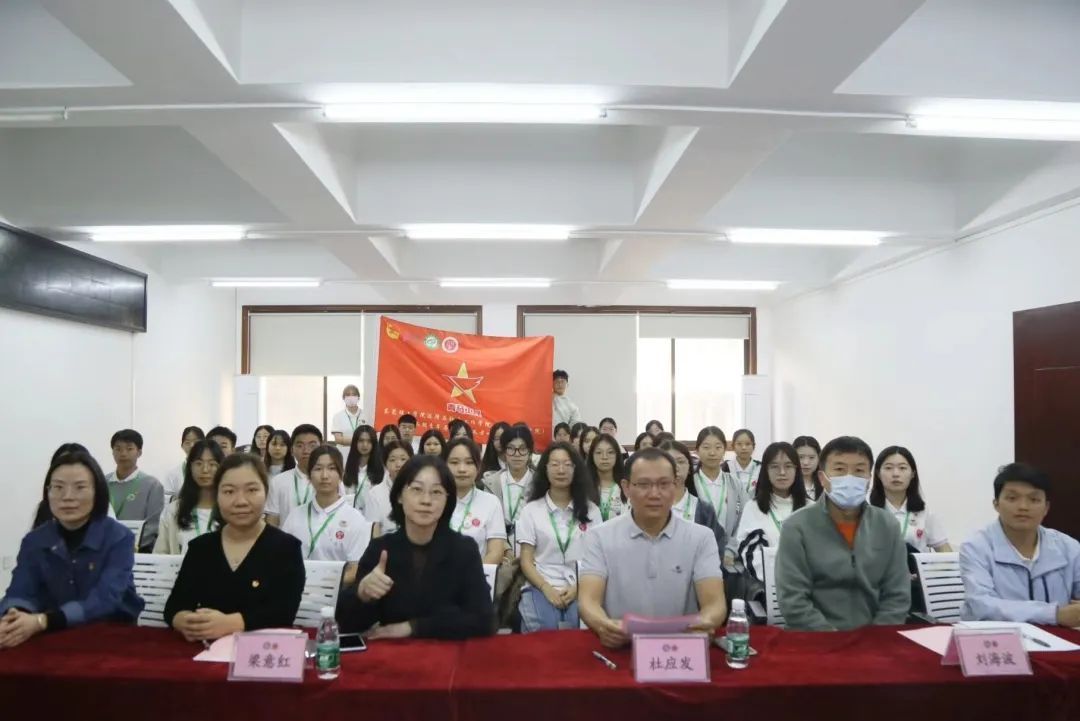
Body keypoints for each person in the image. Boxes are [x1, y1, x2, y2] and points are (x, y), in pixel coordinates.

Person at [578, 447, 727, 649]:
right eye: (644, 484)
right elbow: (588, 601)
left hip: (680, 649)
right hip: (621, 648)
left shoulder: (701, 537)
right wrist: (603, 625)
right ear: (626, 488)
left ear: (675, 485)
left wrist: (705, 623)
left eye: (664, 484)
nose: (654, 494)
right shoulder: (599, 537)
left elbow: (715, 603)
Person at [336, 456, 494, 639]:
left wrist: (413, 627)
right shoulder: (381, 550)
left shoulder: (464, 550)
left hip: (446, 652)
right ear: (399, 496)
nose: (426, 500)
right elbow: (346, 624)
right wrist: (361, 594)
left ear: (447, 501)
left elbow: (484, 620)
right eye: (417, 489)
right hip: (394, 653)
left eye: (436, 492)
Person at [1, 451, 143, 648]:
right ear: (47, 492)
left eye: (80, 487)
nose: (67, 497)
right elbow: (21, 590)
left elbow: (105, 598)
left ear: (97, 492)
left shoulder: (119, 537)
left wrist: (43, 621)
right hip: (52, 637)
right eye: (58, 487)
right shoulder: (34, 541)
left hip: (111, 636)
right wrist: (15, 618)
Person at [164, 455, 305, 641]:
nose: (241, 501)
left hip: (262, 649)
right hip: (206, 649)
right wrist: (185, 621)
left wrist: (230, 624)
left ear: (266, 492)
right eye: (229, 491)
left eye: (252, 490)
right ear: (217, 496)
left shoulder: (286, 548)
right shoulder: (201, 548)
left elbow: (284, 612)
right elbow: (174, 607)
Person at [775, 436, 910, 631]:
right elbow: (793, 601)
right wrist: (834, 638)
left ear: (869, 479)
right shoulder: (796, 527)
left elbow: (897, 595)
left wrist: (875, 638)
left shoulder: (887, 526)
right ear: (822, 478)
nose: (849, 478)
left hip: (875, 639)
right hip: (814, 639)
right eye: (839, 469)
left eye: (859, 471)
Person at [960, 463, 1080, 625]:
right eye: (1012, 498)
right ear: (996, 504)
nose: (1023, 507)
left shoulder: (1069, 547)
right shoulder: (976, 547)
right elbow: (982, 606)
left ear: (1046, 507)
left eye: (1034, 499)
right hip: (996, 636)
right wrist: (1055, 615)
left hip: (1058, 637)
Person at [516, 442, 602, 632]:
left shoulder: (592, 511)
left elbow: (598, 559)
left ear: (576, 469)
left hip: (582, 584)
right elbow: (526, 561)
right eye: (554, 464)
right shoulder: (531, 510)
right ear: (545, 469)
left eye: (567, 464)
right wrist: (546, 588)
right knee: (543, 629)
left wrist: (577, 588)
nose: (561, 470)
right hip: (540, 584)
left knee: (580, 629)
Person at [282, 446, 377, 564]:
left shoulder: (355, 519)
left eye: (332, 468)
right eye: (318, 469)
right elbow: (282, 558)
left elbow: (356, 567)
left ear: (341, 474)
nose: (324, 476)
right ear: (309, 475)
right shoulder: (295, 516)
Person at [734, 442, 809, 569]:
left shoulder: (811, 508)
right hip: (767, 579)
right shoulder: (753, 507)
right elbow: (748, 553)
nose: (782, 472)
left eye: (788, 466)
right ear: (766, 471)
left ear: (797, 470)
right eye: (774, 467)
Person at [869, 446, 952, 553]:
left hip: (916, 564)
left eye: (902, 468)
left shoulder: (924, 511)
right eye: (888, 468)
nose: (896, 474)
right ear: (878, 474)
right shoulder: (867, 508)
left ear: (912, 474)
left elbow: (945, 551)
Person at [153, 439, 225, 555]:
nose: (205, 470)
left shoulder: (230, 509)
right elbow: (160, 554)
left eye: (212, 464)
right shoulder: (173, 510)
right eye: (199, 463)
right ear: (190, 467)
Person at [443, 438, 507, 564]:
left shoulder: (491, 502)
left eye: (469, 462)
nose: (462, 469)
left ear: (478, 467)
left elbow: (496, 552)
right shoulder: (433, 500)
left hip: (478, 573)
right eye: (454, 462)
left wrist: (472, 574)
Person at [659, 440, 724, 553]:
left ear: (689, 467)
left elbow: (715, 552)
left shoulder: (704, 511)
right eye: (668, 462)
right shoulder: (647, 507)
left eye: (680, 461)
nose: (675, 467)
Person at [106, 429, 165, 552]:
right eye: (118, 449)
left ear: (139, 452)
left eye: (129, 449)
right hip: (105, 548)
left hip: (138, 550)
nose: (123, 453)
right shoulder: (102, 483)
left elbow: (153, 525)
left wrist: (130, 544)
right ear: (112, 452)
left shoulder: (152, 485)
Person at [694, 426, 746, 565]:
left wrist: (731, 550)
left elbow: (745, 520)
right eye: (706, 447)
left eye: (718, 447)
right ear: (697, 450)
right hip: (695, 555)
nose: (712, 453)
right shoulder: (691, 483)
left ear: (724, 450)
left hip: (729, 558)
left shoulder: (735, 484)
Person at [483, 425, 535, 553]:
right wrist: (506, 550)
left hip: (533, 549)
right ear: (504, 451)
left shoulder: (540, 483)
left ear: (529, 451)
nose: (517, 454)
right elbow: (488, 522)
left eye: (522, 449)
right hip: (499, 549)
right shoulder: (491, 483)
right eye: (511, 449)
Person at [265, 424, 323, 527]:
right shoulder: (278, 481)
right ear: (291, 450)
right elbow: (272, 520)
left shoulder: (332, 480)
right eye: (300, 445)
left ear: (321, 448)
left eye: (312, 445)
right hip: (286, 537)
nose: (306, 451)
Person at [362, 441, 414, 533]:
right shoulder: (375, 494)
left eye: (403, 459)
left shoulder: (419, 490)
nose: (398, 464)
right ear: (385, 465)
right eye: (392, 460)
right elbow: (373, 531)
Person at [343, 425, 386, 513]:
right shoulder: (347, 468)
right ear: (355, 443)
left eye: (369, 441)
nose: (365, 445)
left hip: (372, 516)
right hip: (350, 516)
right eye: (361, 441)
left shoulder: (382, 469)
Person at [587, 433, 626, 521]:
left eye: (610, 452)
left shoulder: (626, 486)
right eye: (599, 452)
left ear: (617, 455)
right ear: (592, 456)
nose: (604, 457)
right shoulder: (584, 486)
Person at [163, 426, 204, 499]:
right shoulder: (173, 474)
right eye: (187, 442)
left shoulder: (213, 470)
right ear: (182, 446)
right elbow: (164, 498)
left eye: (196, 442)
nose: (192, 445)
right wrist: (176, 498)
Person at [793, 435, 823, 500]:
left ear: (819, 458)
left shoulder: (825, 483)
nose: (806, 462)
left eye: (811, 457)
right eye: (800, 457)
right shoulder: (787, 485)